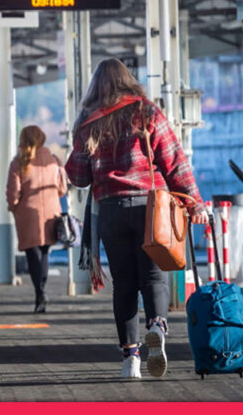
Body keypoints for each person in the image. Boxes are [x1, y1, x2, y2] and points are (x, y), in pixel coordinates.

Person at [65, 58, 208, 380]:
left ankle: (130, 359)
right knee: (153, 278)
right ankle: (157, 325)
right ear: (128, 80)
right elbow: (174, 163)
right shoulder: (146, 112)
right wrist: (195, 204)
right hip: (149, 208)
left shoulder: (89, 121)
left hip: (111, 210)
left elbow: (77, 176)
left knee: (124, 285)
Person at [7, 125, 67, 314]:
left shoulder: (18, 163)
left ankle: (39, 292)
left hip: (27, 215)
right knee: (45, 252)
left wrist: (13, 206)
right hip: (51, 213)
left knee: (33, 255)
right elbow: (62, 189)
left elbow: (13, 193)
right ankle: (42, 289)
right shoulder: (54, 160)